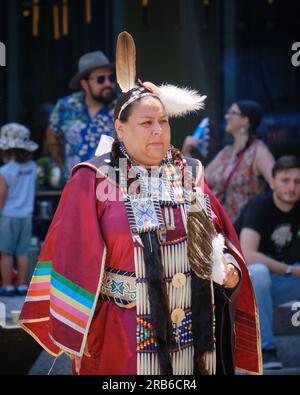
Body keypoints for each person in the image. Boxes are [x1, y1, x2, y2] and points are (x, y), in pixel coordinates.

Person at [19, 32, 261, 375]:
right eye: (146, 123)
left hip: (195, 335)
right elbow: (69, 256)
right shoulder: (93, 179)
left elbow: (218, 234)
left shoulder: (190, 173)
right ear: (120, 128)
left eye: (162, 121)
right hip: (123, 335)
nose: (158, 131)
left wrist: (227, 266)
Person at [235, 155, 300, 370]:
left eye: (297, 181)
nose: (292, 187)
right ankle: (266, 349)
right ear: (272, 182)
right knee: (260, 272)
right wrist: (290, 270)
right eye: (285, 180)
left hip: (274, 285)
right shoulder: (259, 205)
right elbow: (248, 254)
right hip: (239, 284)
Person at [182, 101, 275, 223]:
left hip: (244, 228)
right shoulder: (226, 152)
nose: (227, 116)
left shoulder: (258, 151)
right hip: (220, 227)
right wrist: (186, 151)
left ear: (245, 120)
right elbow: (197, 181)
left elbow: (277, 184)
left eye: (233, 113)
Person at [46, 50, 117, 178]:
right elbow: (52, 137)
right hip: (74, 183)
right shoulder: (66, 106)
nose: (108, 83)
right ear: (84, 83)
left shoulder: (122, 107)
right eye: (101, 79)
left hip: (110, 186)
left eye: (111, 78)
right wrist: (62, 168)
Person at [0, 123, 38, 296]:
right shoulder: (32, 168)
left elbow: (1, 196)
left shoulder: (6, 170)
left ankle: (7, 286)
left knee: (6, 253)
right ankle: (23, 285)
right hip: (26, 216)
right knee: (22, 252)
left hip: (8, 216)